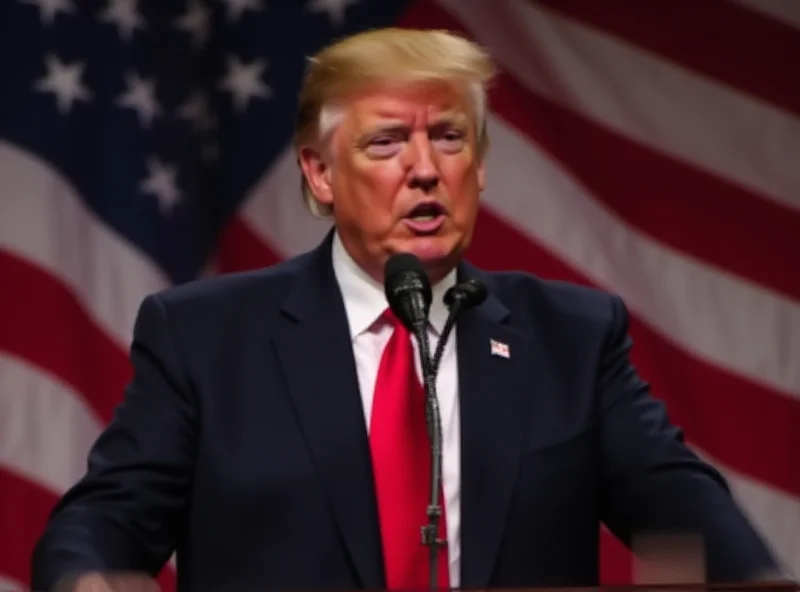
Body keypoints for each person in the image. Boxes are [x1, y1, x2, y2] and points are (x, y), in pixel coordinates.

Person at [31, 27, 785, 592]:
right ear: (320, 174)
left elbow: (681, 508)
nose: (424, 169)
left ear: (481, 166)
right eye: (388, 141)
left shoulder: (573, 339)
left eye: (449, 137)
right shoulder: (206, 336)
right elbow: (104, 522)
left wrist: (752, 579)